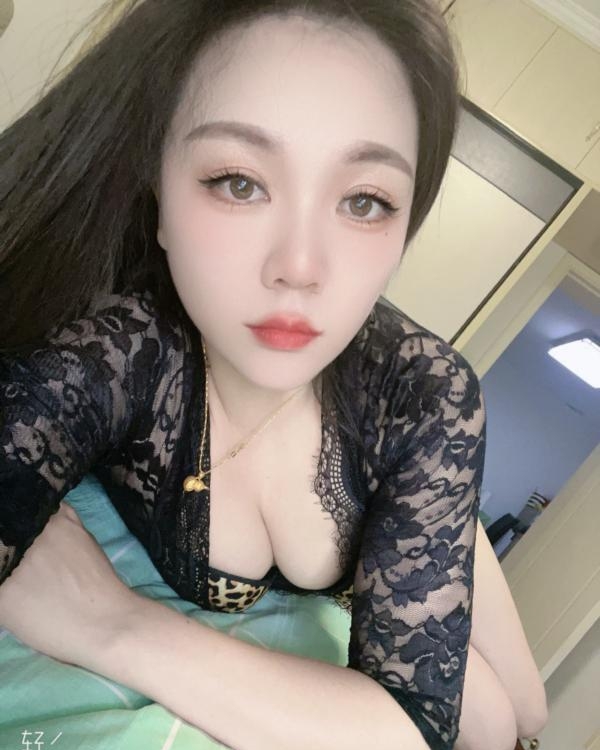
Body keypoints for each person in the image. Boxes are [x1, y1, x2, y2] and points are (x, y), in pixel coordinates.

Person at [0, 1, 547, 749]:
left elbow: (413, 727)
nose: (300, 267)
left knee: (518, 715)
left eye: (365, 201)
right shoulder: (116, 351)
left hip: (385, 446)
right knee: (486, 718)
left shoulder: (426, 391)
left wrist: (112, 623)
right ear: (159, 191)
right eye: (239, 182)